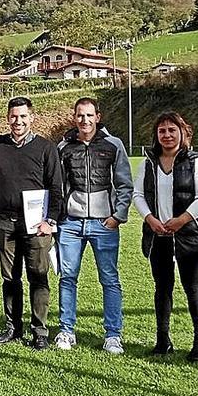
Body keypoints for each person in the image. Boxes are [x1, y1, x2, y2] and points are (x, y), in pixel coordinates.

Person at [133, 111, 198, 361]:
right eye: (162, 131)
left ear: (182, 133)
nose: (167, 135)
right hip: (158, 235)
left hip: (188, 235)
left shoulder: (194, 162)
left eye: (171, 130)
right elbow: (138, 195)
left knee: (193, 287)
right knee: (162, 287)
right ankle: (162, 339)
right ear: (156, 136)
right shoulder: (147, 163)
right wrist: (150, 219)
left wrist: (181, 220)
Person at [55, 97, 133, 355]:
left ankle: (113, 335)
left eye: (89, 115)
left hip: (104, 224)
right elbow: (59, 186)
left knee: (109, 279)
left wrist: (117, 216)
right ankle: (66, 331)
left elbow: (124, 184)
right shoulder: (64, 146)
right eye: (80, 115)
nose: (84, 120)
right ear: (74, 117)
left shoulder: (114, 145)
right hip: (71, 224)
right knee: (68, 278)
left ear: (98, 117)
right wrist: (60, 217)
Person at [0, 97, 63, 350]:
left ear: (32, 118)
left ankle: (40, 330)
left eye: (23, 116)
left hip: (37, 226)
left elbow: (56, 187)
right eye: (13, 116)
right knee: (10, 277)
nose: (17, 121)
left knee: (38, 277)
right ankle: (13, 327)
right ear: (7, 118)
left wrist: (50, 221)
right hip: (5, 222)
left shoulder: (46, 148)